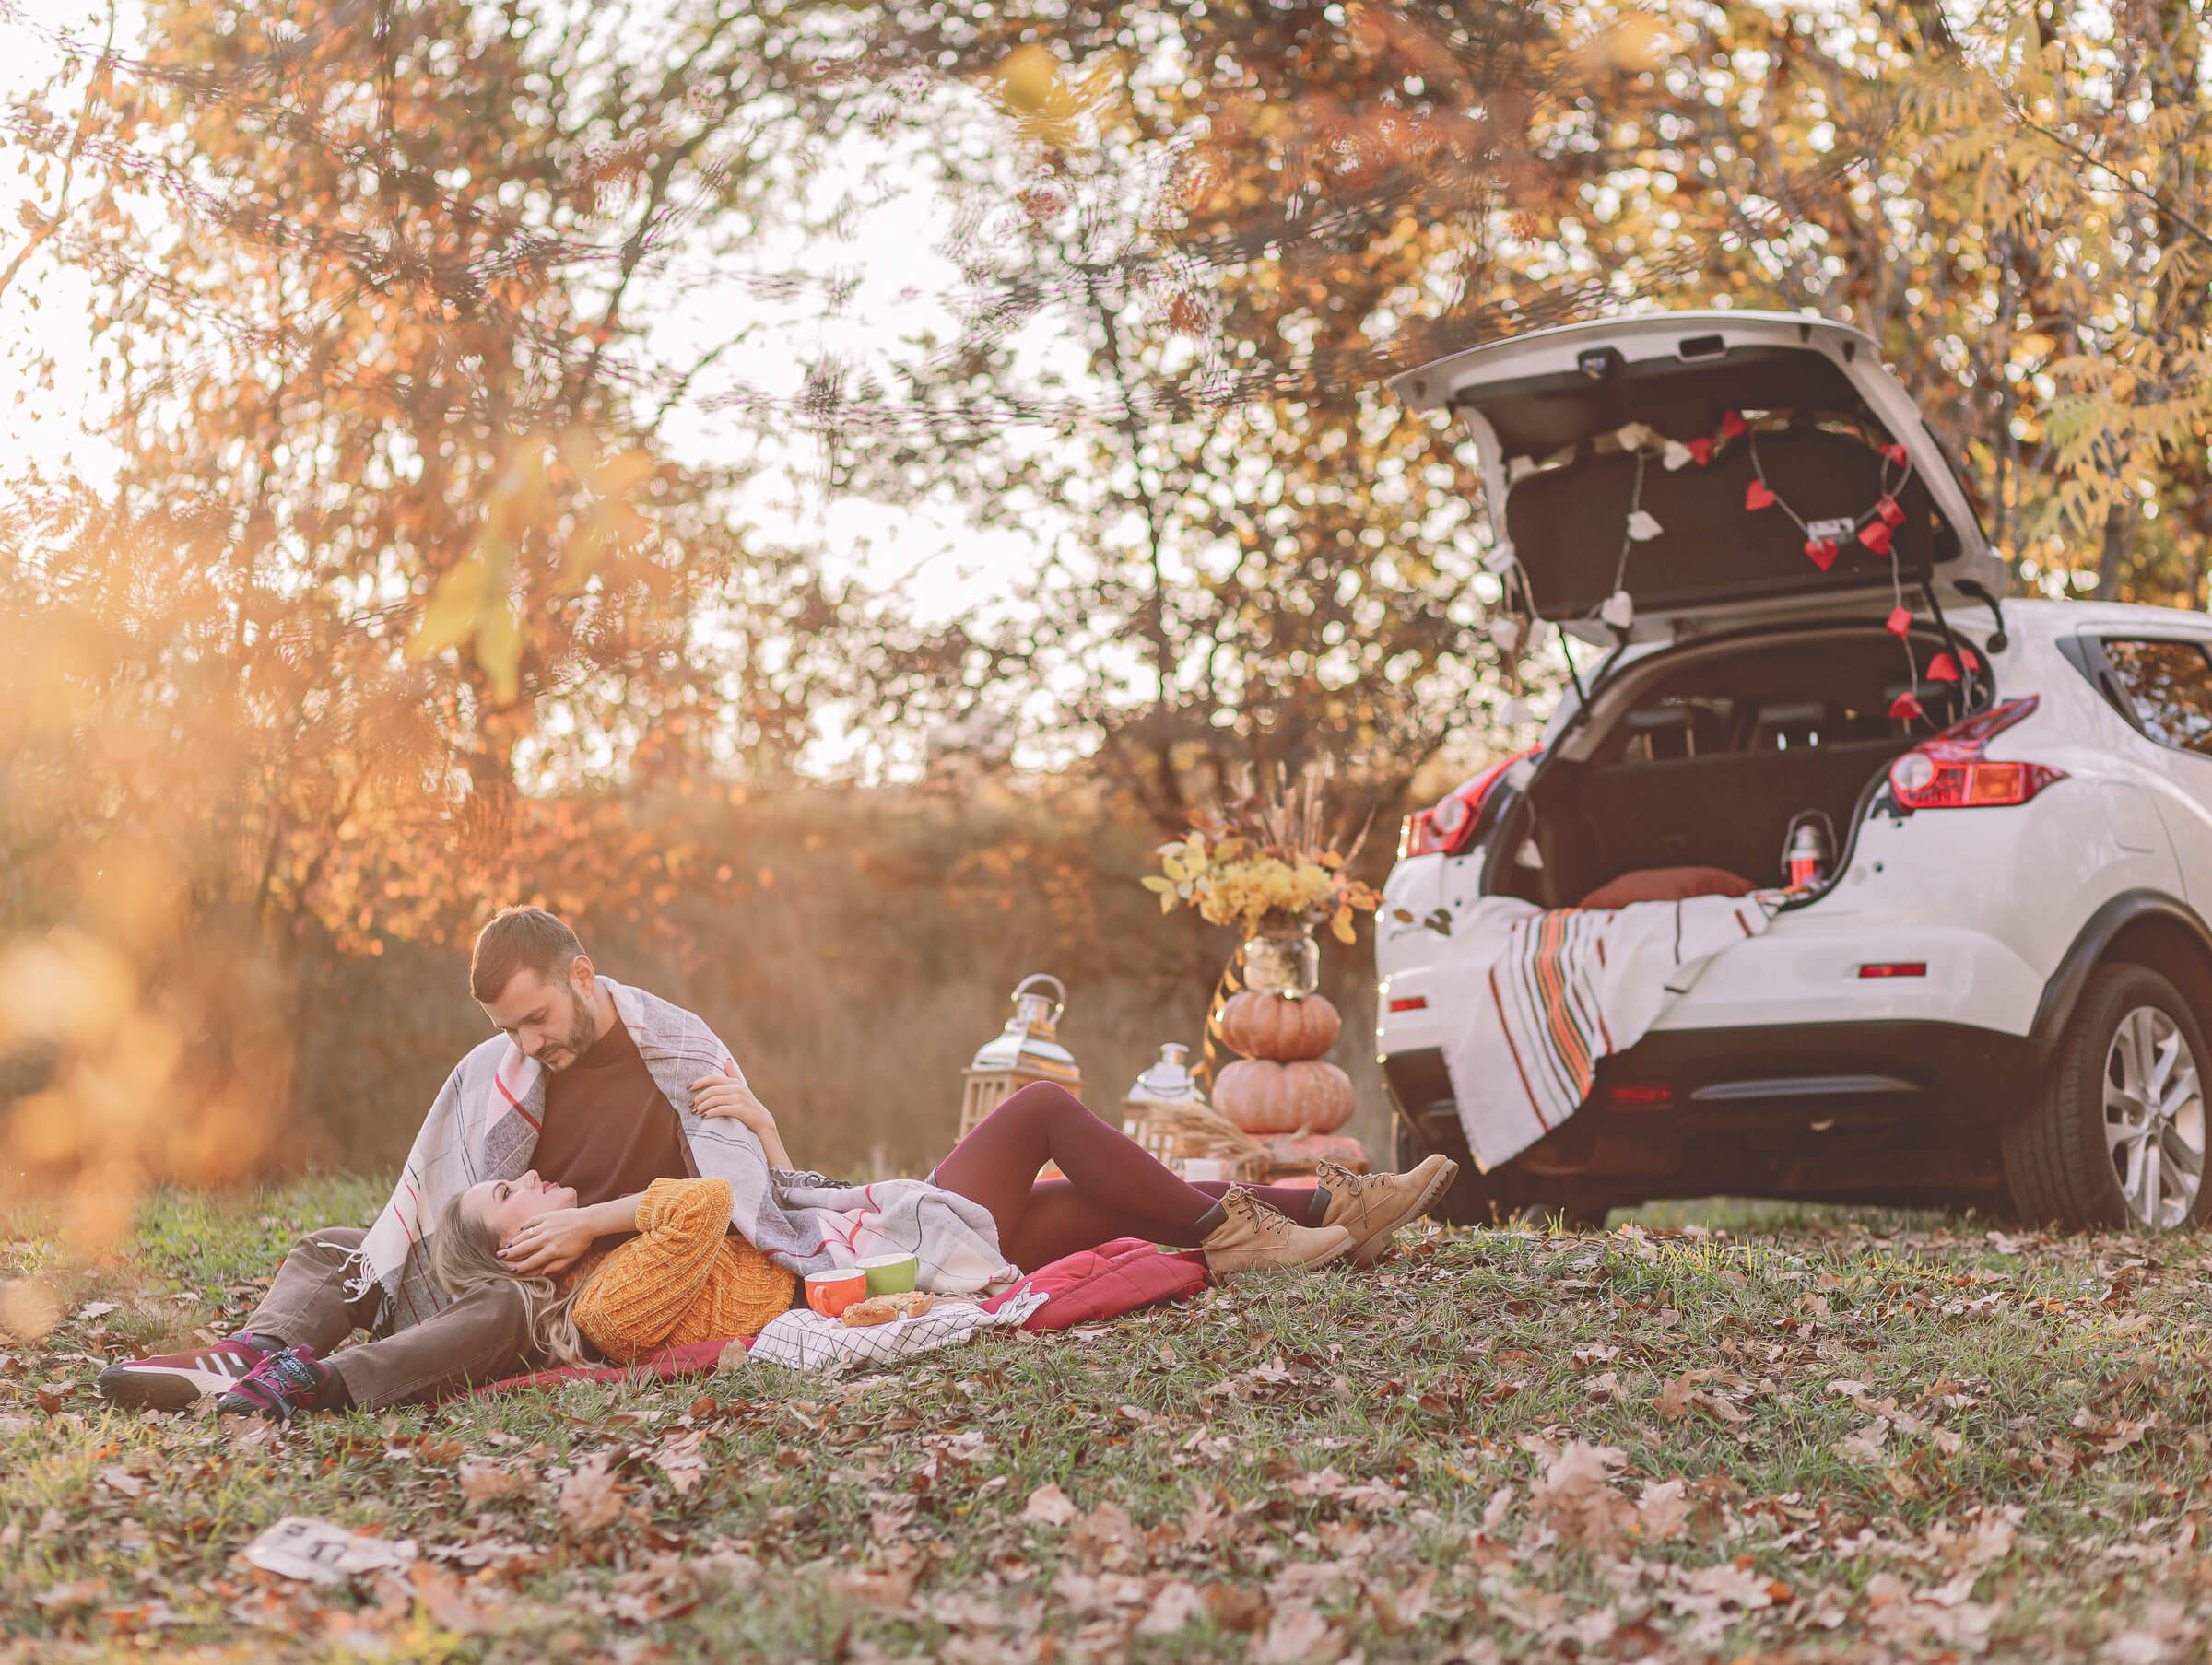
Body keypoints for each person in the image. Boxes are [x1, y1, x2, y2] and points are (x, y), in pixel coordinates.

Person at [97, 906, 1455, 1416]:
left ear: (581, 975)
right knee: (1047, 1166)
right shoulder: (509, 1083)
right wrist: (532, 1225)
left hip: (790, 1240)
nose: (525, 1045)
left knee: (1051, 1184)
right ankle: (1291, 1208)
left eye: (534, 1013)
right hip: (772, 1264)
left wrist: (650, 1187)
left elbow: (751, 1193)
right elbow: (434, 1192)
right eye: (508, 1027)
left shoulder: (678, 1043)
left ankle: (1317, 1205)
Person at [429, 1083, 1461, 1366]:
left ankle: (1334, 1209)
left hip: (855, 1248)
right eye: (507, 1198)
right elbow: (705, 1207)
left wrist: (773, 1139)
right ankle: (1258, 1230)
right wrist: (600, 1219)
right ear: (518, 1248)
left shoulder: (619, 1251)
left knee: (1093, 1201)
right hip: (875, 1276)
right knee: (1039, 1111)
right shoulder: (608, 1300)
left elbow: (775, 1216)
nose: (528, 1183)